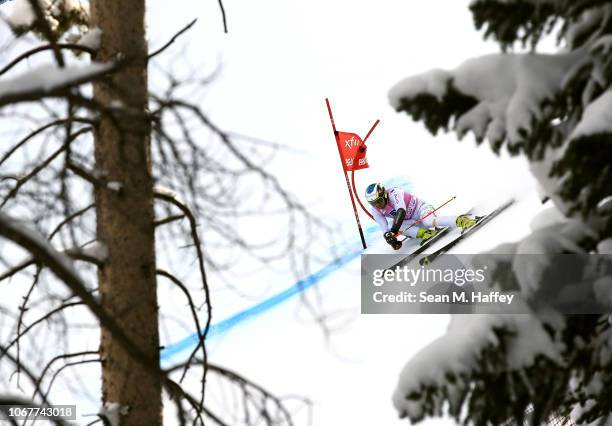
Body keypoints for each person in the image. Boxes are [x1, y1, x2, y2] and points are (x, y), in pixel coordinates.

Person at [364, 182, 478, 249]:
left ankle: (461, 221)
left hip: (421, 210)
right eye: (373, 203)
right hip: (413, 223)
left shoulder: (394, 193)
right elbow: (384, 230)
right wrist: (391, 240)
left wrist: (394, 230)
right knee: (389, 228)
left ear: (384, 195)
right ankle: (426, 234)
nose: (377, 205)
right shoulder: (376, 210)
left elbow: (401, 211)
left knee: (428, 222)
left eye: (379, 201)